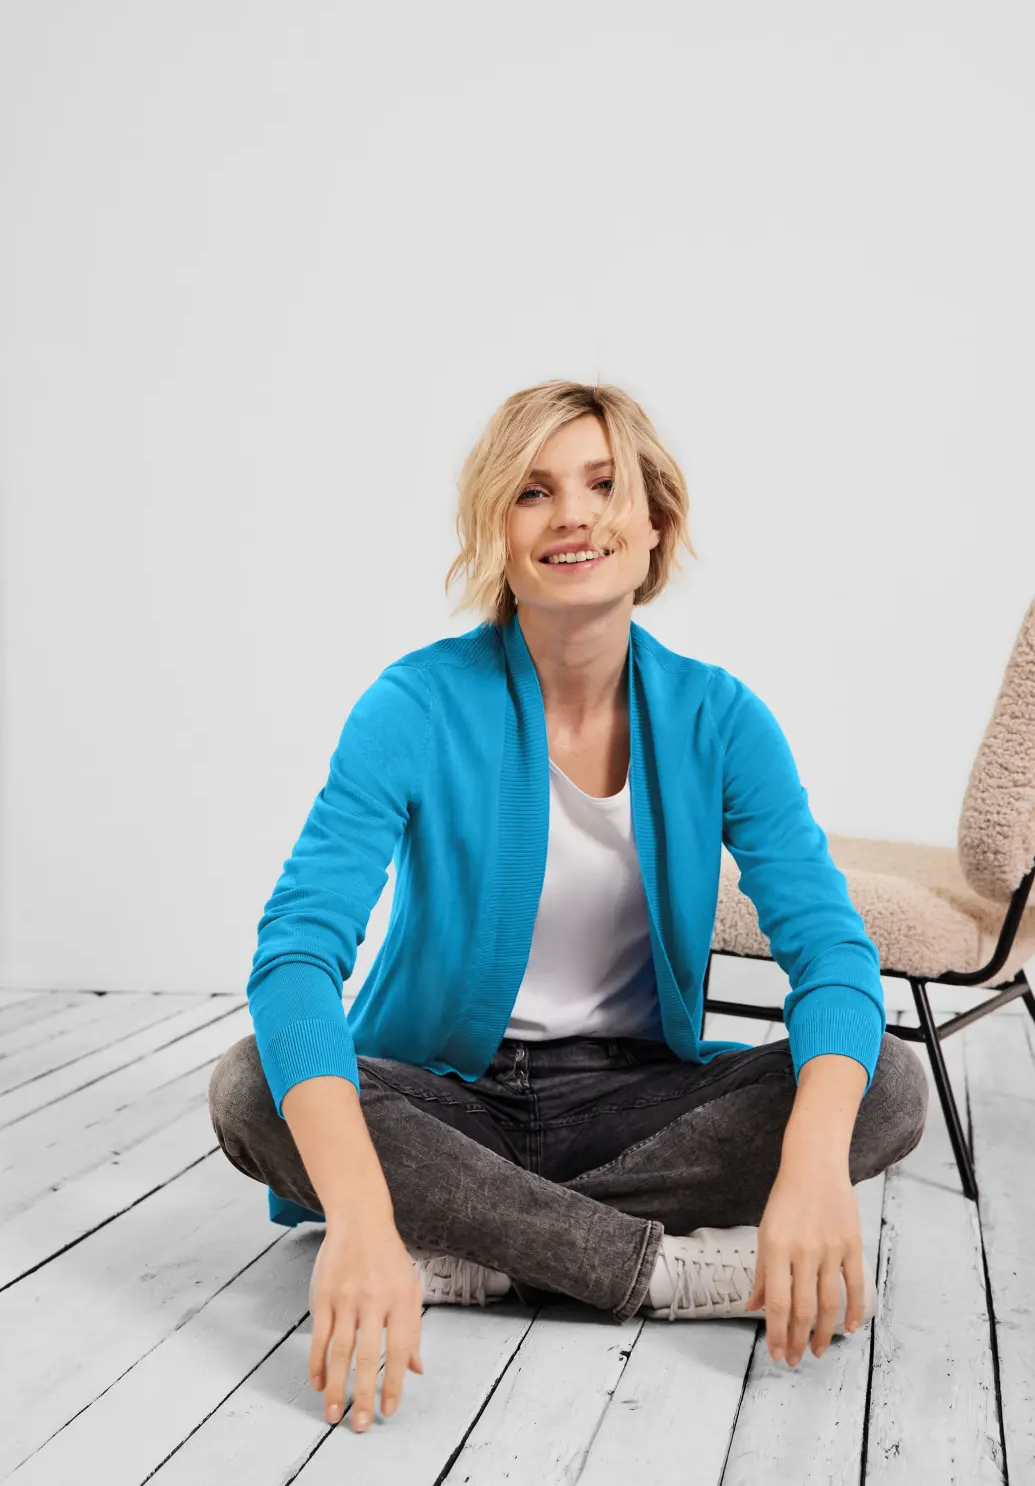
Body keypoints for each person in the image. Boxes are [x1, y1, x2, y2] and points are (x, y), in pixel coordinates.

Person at [208, 379, 929, 1436]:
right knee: (248, 1086)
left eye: (603, 485)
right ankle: (653, 1272)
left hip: (629, 1100)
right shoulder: (414, 703)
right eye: (534, 492)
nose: (573, 516)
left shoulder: (721, 718)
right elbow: (295, 955)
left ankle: (482, 1250)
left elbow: (830, 953)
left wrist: (815, 1166)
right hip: (445, 1096)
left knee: (886, 1084)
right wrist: (358, 1214)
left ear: (654, 520)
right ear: (497, 527)